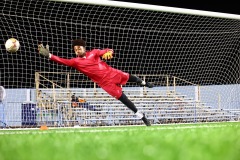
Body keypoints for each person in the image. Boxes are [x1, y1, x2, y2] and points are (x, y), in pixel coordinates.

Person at [38, 39, 153, 126]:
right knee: (124, 99)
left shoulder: (94, 52)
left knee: (130, 77)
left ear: (84, 48)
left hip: (112, 73)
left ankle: (144, 83)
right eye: (75, 50)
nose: (77, 51)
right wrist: (49, 55)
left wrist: (109, 53)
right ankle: (141, 116)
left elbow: (107, 51)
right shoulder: (75, 62)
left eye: (79, 48)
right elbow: (62, 61)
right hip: (105, 83)